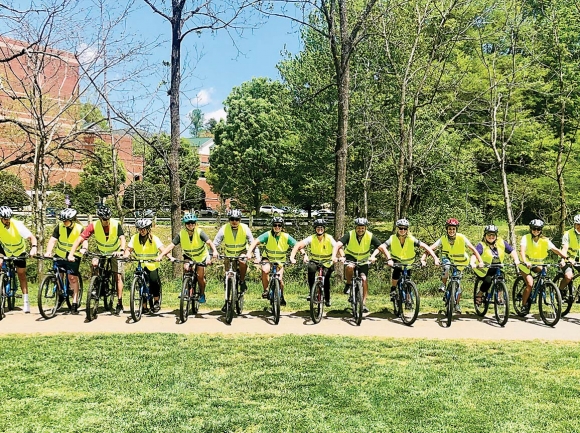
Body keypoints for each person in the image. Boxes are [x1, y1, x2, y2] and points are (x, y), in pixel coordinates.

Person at [68, 205, 126, 315]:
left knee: (117, 276)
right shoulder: (93, 225)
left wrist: (122, 250)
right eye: (104, 219)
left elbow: (122, 238)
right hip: (101, 251)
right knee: (94, 263)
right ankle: (95, 285)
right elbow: (80, 239)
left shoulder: (115, 224)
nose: (107, 221)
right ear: (99, 218)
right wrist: (72, 253)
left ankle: (119, 302)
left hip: (115, 251)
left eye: (108, 218)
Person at [421, 218, 484, 314]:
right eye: (449, 229)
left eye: (453, 229)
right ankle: (443, 284)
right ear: (447, 229)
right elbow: (431, 248)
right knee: (446, 267)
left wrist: (480, 261)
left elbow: (473, 249)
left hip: (460, 262)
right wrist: (424, 257)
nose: (451, 231)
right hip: (448, 258)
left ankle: (457, 304)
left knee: (457, 284)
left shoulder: (462, 237)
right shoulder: (443, 238)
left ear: (456, 229)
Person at [370, 218, 439, 300]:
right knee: (397, 270)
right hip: (396, 261)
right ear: (397, 228)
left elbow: (425, 247)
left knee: (408, 280)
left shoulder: (411, 239)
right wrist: (373, 256)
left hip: (408, 263)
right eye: (400, 228)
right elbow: (381, 247)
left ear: (407, 229)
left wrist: (434, 258)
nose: (402, 230)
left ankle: (408, 300)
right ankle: (393, 289)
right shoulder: (392, 238)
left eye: (405, 228)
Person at [157, 213, 219, 304]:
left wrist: (214, 251)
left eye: (192, 222)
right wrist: (161, 255)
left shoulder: (199, 232)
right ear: (185, 224)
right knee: (186, 268)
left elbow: (209, 242)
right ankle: (185, 288)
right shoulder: (181, 234)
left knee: (200, 277)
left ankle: (202, 294)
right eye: (188, 223)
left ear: (195, 223)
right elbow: (171, 246)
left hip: (201, 256)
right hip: (188, 255)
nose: (190, 225)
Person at [331, 217, 387, 313]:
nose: (360, 230)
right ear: (355, 227)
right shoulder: (350, 234)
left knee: (364, 279)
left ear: (365, 228)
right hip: (351, 256)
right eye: (358, 228)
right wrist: (334, 256)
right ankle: (348, 284)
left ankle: (363, 304)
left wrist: (385, 258)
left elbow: (381, 247)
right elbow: (337, 245)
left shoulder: (370, 236)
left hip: (364, 259)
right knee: (349, 267)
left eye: (362, 228)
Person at [44, 208, 87, 315]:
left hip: (74, 256)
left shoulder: (80, 228)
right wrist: (48, 251)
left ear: (72, 219)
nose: (64, 222)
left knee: (72, 278)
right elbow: (53, 240)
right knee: (58, 276)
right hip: (60, 255)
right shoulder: (59, 226)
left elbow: (85, 242)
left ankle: (74, 302)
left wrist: (84, 249)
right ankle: (60, 296)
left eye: (66, 220)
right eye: (63, 220)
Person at [519, 219, 566, 314]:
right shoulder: (526, 238)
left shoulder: (545, 240)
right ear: (531, 229)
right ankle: (524, 305)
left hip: (537, 264)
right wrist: (525, 261)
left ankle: (537, 290)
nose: (536, 231)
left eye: (538, 229)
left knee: (543, 274)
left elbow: (555, 249)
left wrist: (564, 257)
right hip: (525, 264)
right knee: (530, 283)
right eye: (534, 229)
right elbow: (522, 251)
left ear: (541, 230)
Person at [212, 209, 257, 311]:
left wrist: (256, 256)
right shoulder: (224, 228)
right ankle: (227, 301)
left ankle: (242, 281)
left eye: (236, 219)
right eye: (232, 219)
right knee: (227, 278)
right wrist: (213, 253)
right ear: (229, 219)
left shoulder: (245, 228)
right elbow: (215, 243)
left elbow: (252, 243)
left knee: (242, 261)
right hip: (229, 254)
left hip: (241, 252)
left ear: (240, 220)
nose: (234, 221)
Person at [247, 216, 297, 306]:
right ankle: (266, 290)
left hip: (280, 261)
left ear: (282, 226)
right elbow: (255, 242)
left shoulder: (286, 236)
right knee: (265, 270)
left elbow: (297, 245)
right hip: (268, 258)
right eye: (275, 225)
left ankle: (281, 296)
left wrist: (302, 254)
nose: (277, 227)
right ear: (272, 226)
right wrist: (250, 253)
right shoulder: (268, 234)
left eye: (279, 225)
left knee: (280, 279)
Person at [289, 219, 337, 307]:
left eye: (321, 227)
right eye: (318, 227)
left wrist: (339, 256)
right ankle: (312, 292)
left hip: (327, 262)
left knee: (326, 278)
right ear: (315, 229)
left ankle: (327, 298)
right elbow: (298, 245)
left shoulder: (329, 238)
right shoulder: (312, 238)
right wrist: (293, 257)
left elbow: (337, 246)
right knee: (311, 269)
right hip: (314, 261)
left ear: (324, 229)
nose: (320, 229)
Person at [0, 206, 38, 313]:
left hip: (19, 251)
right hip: (5, 250)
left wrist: (34, 248)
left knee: (21, 274)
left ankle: (26, 301)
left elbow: (32, 237)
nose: (7, 221)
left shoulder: (17, 225)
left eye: (8, 218)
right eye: (4, 219)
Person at [471, 224, 520, 305]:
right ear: (485, 235)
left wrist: (516, 260)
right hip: (484, 270)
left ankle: (499, 297)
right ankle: (480, 293)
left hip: (497, 267)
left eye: (493, 234)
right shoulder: (481, 245)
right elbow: (475, 255)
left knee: (501, 277)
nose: (491, 236)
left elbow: (511, 251)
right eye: (489, 234)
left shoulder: (501, 242)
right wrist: (473, 263)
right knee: (488, 281)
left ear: (496, 235)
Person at [123, 218, 165, 313]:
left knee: (154, 280)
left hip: (152, 264)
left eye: (144, 229)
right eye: (140, 229)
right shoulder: (134, 238)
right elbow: (129, 249)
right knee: (141, 283)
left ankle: (156, 301)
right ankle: (144, 306)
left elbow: (163, 249)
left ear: (148, 229)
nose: (142, 231)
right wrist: (126, 255)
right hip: (140, 264)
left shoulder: (154, 238)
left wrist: (163, 256)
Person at [557, 215, 580, 295]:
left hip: (578, 261)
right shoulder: (568, 234)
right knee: (569, 276)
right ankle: (560, 291)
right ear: (574, 224)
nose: (579, 227)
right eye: (578, 224)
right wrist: (563, 260)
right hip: (566, 259)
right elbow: (565, 248)